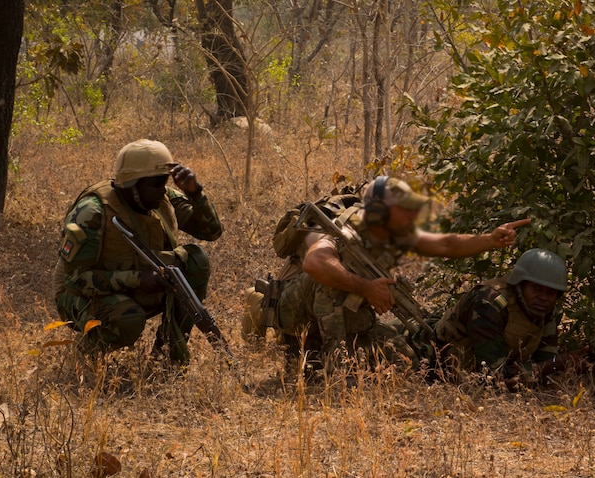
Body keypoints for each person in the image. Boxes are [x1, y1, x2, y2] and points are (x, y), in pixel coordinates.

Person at [251, 175, 530, 374]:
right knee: (330, 278)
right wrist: (367, 288)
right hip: (295, 311)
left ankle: (335, 355)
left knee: (403, 360)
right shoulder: (344, 230)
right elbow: (315, 262)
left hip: (341, 316)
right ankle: (330, 364)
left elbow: (446, 244)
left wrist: (490, 239)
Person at [53, 139, 223, 365]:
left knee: (195, 259)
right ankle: (82, 357)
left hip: (139, 283)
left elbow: (211, 231)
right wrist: (136, 279)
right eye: (155, 184)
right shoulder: (93, 212)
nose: (162, 190)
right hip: (80, 296)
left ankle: (168, 353)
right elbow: (74, 280)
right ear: (132, 184)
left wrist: (196, 193)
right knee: (128, 318)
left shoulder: (162, 199)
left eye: (164, 183)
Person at [429, 247, 586, 389]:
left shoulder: (542, 308)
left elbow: (543, 363)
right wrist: (556, 364)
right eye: (536, 289)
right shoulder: (489, 303)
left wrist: (569, 363)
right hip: (430, 354)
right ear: (520, 284)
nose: (543, 298)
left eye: (550, 293)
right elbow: (494, 375)